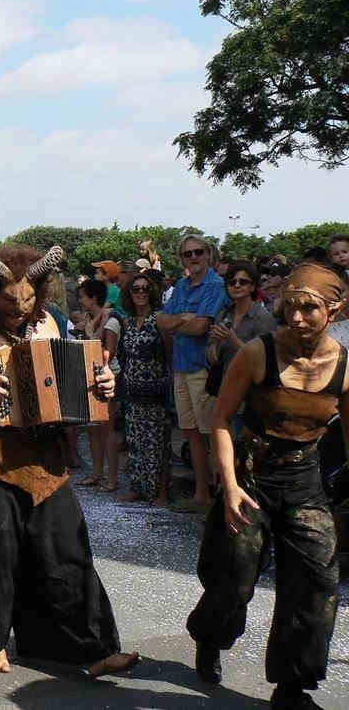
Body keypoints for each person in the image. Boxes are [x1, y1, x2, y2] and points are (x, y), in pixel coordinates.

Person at [0, 244, 138, 678]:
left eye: (28, 301)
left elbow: (76, 378)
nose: (19, 311)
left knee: (67, 549)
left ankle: (92, 647)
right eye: (9, 302)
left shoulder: (48, 322)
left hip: (47, 457)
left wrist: (102, 383)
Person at [186, 263, 348, 710]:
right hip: (251, 475)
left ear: (335, 310)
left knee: (317, 584)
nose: (296, 318)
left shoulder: (345, 365)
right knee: (233, 578)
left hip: (305, 482)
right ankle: (210, 636)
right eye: (290, 307)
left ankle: (292, 689)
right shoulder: (257, 353)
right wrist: (232, 486)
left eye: (309, 309)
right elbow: (220, 417)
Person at [156, 235, 229, 511]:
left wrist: (178, 322)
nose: (194, 257)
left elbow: (200, 327)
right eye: (188, 254)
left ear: (208, 255)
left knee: (213, 435)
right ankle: (202, 495)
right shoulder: (183, 286)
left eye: (198, 252)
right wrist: (183, 320)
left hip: (203, 369)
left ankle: (223, 497)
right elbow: (160, 321)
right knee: (191, 434)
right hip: (181, 367)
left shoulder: (216, 285)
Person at [117, 273, 172, 505]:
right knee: (135, 442)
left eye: (144, 289)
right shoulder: (127, 322)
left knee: (158, 443)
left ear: (152, 292)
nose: (140, 293)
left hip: (156, 390)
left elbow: (169, 352)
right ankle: (138, 488)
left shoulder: (159, 318)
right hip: (132, 391)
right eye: (135, 289)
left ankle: (161, 492)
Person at [206, 261, 276, 434]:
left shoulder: (263, 318)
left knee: (244, 450)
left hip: (251, 397)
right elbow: (213, 359)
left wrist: (232, 340)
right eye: (232, 282)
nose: (237, 285)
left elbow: (263, 361)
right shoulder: (224, 315)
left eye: (243, 282)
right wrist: (215, 343)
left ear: (252, 286)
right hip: (225, 392)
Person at [77, 279, 122, 491]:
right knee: (93, 429)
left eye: (83, 296)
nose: (80, 300)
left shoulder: (111, 320)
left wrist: (101, 322)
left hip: (108, 375)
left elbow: (107, 352)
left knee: (108, 429)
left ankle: (112, 478)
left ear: (94, 297)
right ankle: (96, 473)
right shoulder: (92, 317)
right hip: (89, 375)